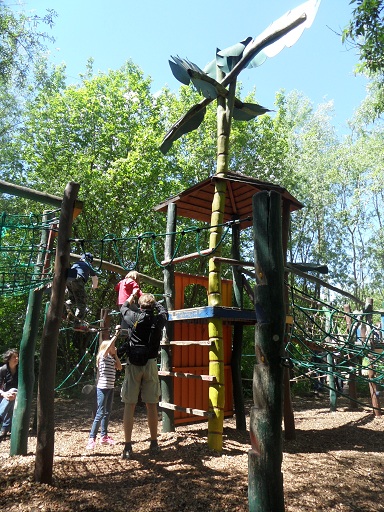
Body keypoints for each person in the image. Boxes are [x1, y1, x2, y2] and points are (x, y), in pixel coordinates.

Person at [118, 293, 168, 460]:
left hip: (133, 364)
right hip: (151, 364)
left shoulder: (134, 317)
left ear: (139, 307)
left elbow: (123, 307)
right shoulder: (158, 320)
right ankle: (154, 443)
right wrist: (158, 304)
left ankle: (127, 446)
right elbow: (164, 313)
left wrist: (132, 296)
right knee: (152, 404)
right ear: (152, 307)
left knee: (129, 404)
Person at [86, 327, 122, 450]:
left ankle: (104, 436)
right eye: (113, 346)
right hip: (103, 388)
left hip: (110, 387)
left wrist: (116, 355)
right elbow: (108, 347)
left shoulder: (111, 358)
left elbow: (120, 367)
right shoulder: (103, 356)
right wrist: (116, 334)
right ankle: (92, 438)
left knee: (107, 412)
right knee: (100, 413)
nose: (114, 347)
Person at [65, 252, 98, 330]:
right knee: (81, 303)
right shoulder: (88, 264)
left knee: (72, 299)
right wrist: (94, 287)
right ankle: (77, 324)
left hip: (69, 278)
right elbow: (95, 278)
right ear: (91, 261)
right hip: (78, 278)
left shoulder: (76, 263)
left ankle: (63, 310)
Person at [0, 348, 19, 441]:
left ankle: (3, 426)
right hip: (3, 395)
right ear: (8, 359)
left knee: (13, 391)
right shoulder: (2, 370)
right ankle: (4, 429)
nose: (16, 359)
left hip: (17, 393)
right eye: (14, 357)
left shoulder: (20, 370)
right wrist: (4, 394)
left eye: (17, 357)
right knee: (10, 398)